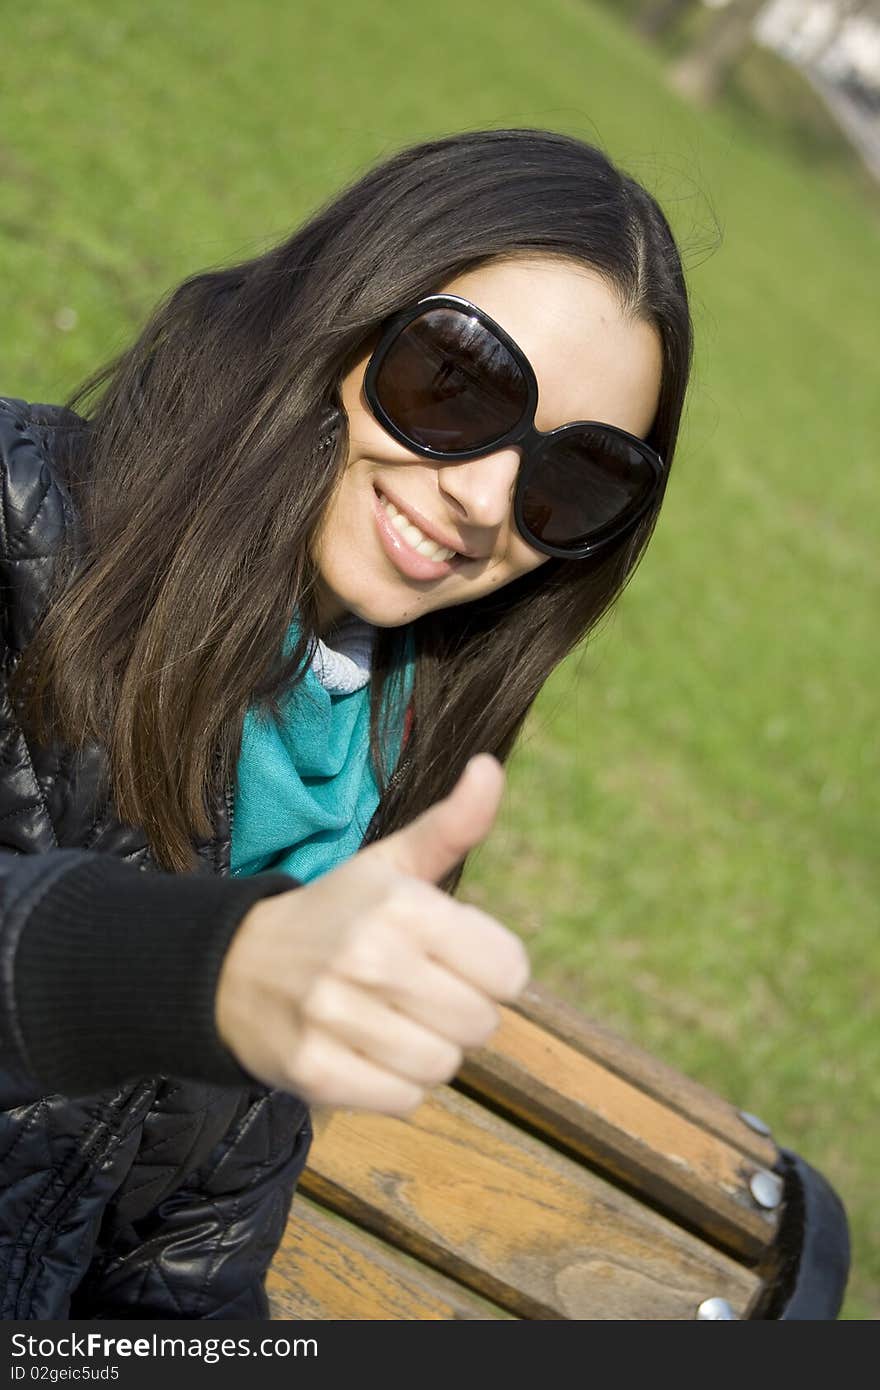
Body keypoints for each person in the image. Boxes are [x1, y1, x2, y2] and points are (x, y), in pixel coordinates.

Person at [0, 126, 692, 1320]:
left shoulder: (378, 792)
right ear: (340, 325)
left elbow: (182, 1281)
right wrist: (204, 967)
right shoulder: (21, 526)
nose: (483, 501)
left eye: (573, 478)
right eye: (457, 382)